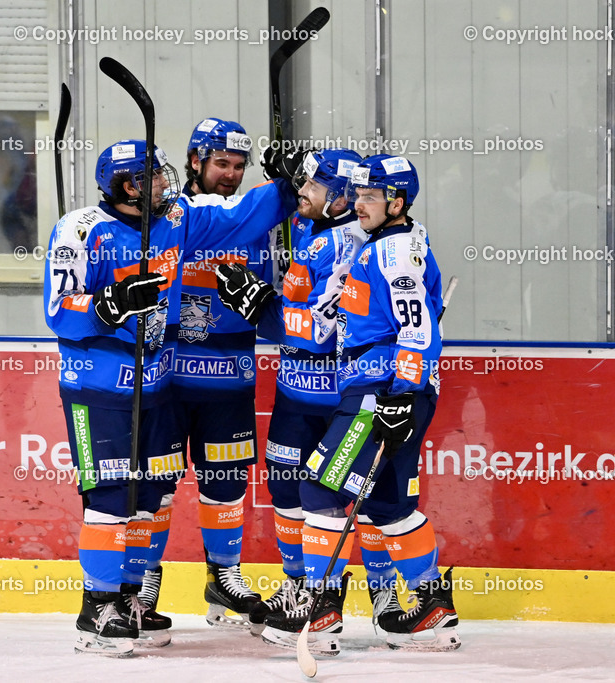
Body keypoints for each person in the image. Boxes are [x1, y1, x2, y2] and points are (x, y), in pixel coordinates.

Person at [44, 139, 296, 656]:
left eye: (163, 173)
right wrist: (108, 305)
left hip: (155, 388)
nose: (166, 182)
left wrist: (289, 189)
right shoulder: (80, 229)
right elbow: (58, 308)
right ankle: (97, 608)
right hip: (97, 388)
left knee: (150, 495)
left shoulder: (177, 218)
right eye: (154, 176)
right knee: (112, 497)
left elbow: (238, 215)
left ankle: (132, 599)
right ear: (128, 186)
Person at [240, 154, 460, 655]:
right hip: (392, 388)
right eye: (357, 194)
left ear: (397, 202)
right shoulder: (392, 243)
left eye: (371, 197)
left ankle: (318, 611)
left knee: (320, 489)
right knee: (388, 504)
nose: (359, 204)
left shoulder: (394, 253)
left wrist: (400, 393)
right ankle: (430, 610)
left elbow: (418, 327)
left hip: (379, 389)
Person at [215, 147, 405, 636]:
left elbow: (315, 331)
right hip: (293, 392)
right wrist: (287, 183)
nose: (305, 191)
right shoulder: (309, 226)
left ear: (341, 198)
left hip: (341, 396)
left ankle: (374, 591)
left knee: (356, 497)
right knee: (286, 492)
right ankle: (301, 583)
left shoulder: (351, 245)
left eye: (315, 186)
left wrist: (261, 308)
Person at [138, 119, 270, 629]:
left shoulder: (255, 220)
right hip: (167, 379)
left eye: (239, 167)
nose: (230, 175)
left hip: (229, 378)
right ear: (195, 161)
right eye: (221, 164)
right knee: (157, 484)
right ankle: (144, 583)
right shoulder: (170, 213)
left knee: (226, 481)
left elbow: (280, 299)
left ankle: (224, 578)